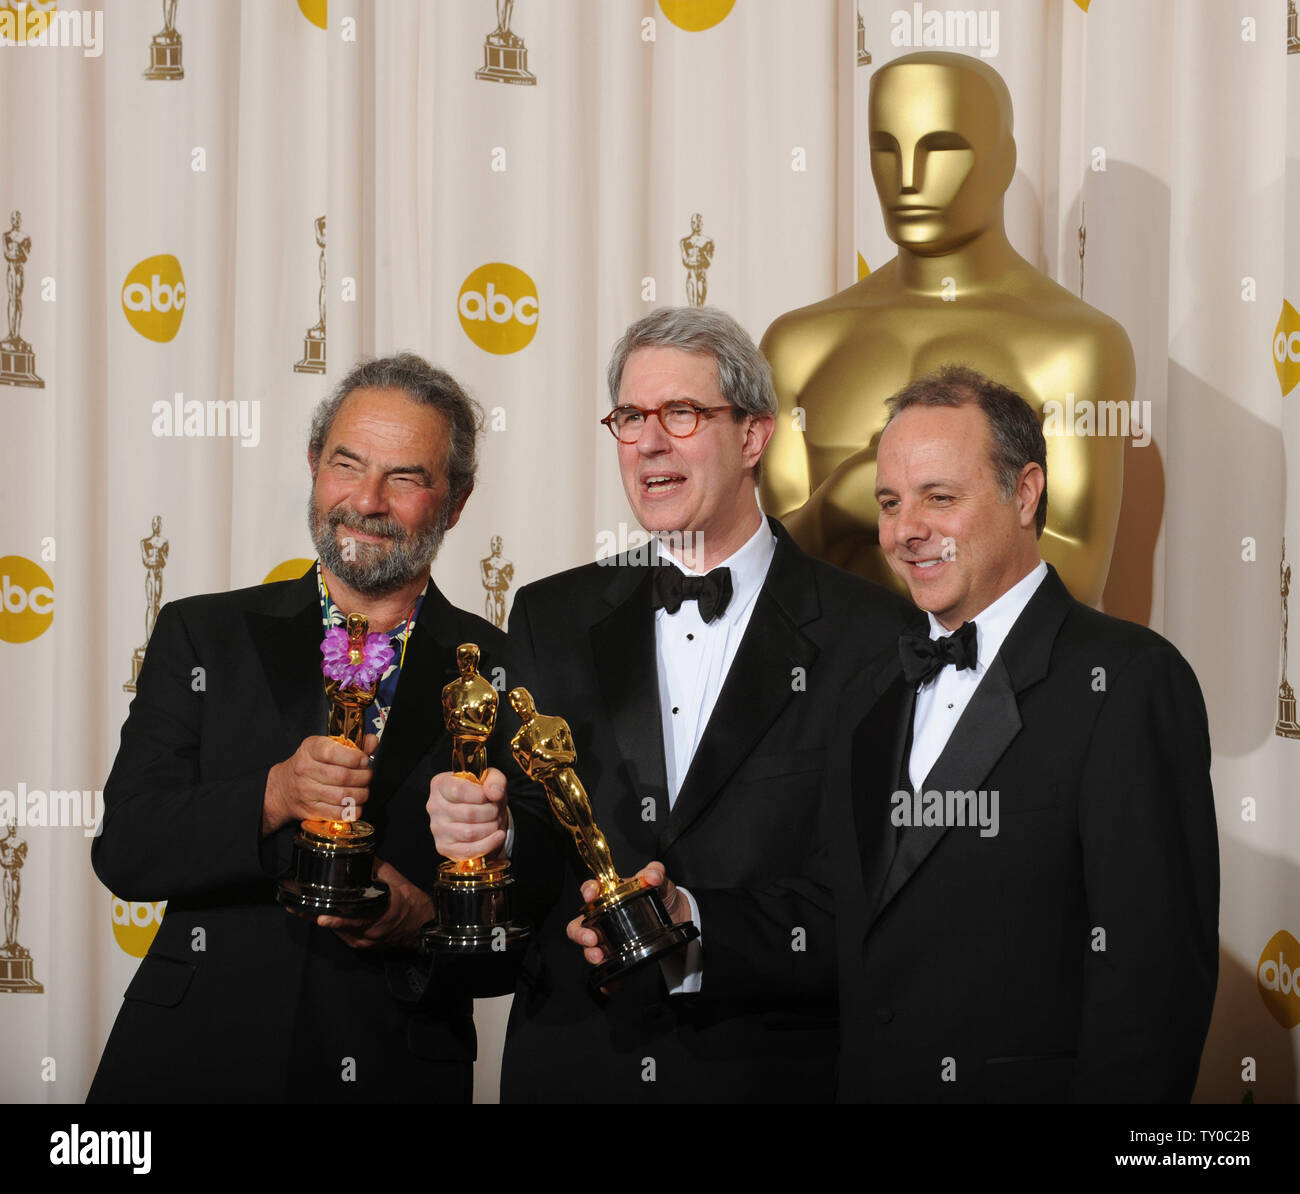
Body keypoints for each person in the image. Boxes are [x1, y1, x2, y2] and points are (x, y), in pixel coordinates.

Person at [427, 307, 911, 1102]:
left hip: (767, 1069)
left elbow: (876, 891)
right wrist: (499, 833)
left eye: (681, 414)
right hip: (577, 1063)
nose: (649, 442)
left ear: (754, 436)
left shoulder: (872, 631)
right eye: (630, 418)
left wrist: (696, 924)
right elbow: (543, 839)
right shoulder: (551, 616)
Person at [89, 353, 539, 1103]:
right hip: (188, 1059)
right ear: (312, 465)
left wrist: (426, 922)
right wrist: (273, 793)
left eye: (406, 477)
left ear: (456, 502)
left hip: (394, 1066)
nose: (365, 499)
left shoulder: (506, 671)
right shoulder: (205, 634)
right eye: (346, 463)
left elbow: (529, 926)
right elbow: (129, 848)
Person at [828, 364, 1218, 1102]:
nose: (907, 530)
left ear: (1026, 492)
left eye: (939, 497)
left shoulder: (1130, 682)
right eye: (889, 502)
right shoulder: (867, 690)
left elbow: (1152, 995)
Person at [759, 52, 1134, 606]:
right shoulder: (799, 345)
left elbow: (1076, 578)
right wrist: (839, 503)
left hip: (1006, 690)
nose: (908, 180)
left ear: (1003, 161)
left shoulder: (1074, 346)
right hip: (829, 686)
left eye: (942, 149)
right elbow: (769, 581)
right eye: (886, 150)